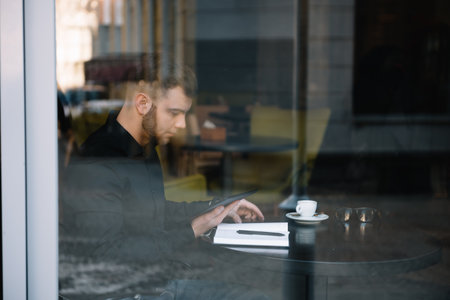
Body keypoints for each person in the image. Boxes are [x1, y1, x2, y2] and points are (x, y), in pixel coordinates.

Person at [60, 65, 267, 299]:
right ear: (142, 103)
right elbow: (107, 256)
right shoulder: (98, 163)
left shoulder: (143, 147)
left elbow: (152, 212)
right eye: (174, 112)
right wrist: (191, 230)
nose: (182, 125)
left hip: (154, 282)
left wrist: (217, 208)